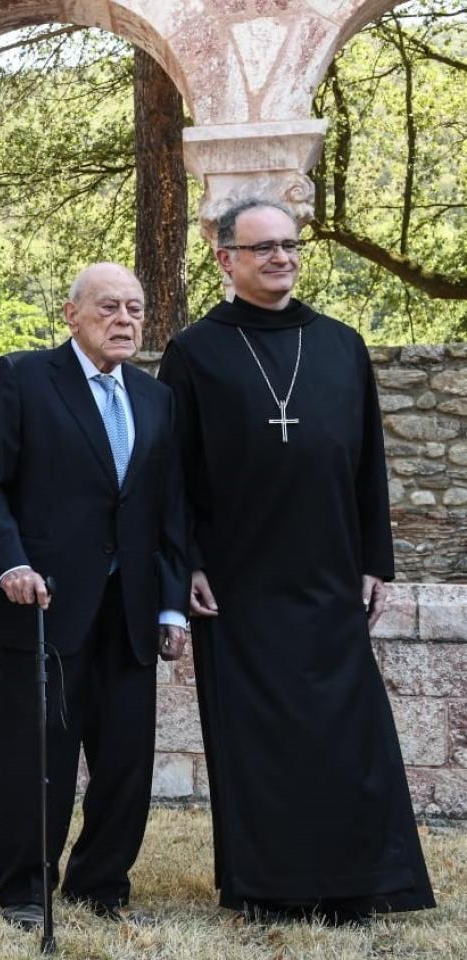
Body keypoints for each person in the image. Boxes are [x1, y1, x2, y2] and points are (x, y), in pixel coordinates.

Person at [159, 198, 434, 923]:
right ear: (226, 260)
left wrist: (377, 558)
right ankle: (270, 888)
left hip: (331, 574)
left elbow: (368, 462)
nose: (281, 257)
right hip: (239, 581)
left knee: (348, 734)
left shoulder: (341, 344)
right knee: (258, 741)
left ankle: (358, 884)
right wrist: (186, 560)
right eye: (263, 248)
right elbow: (172, 474)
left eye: (289, 245)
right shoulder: (195, 354)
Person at [0, 263, 188, 930]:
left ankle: (101, 884)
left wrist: (172, 603)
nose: (124, 321)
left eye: (135, 310)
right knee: (36, 759)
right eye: (108, 308)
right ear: (71, 314)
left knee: (126, 762)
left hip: (130, 612)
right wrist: (9, 564)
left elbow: (169, 511)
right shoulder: (24, 379)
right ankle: (26, 892)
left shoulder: (157, 400)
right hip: (43, 605)